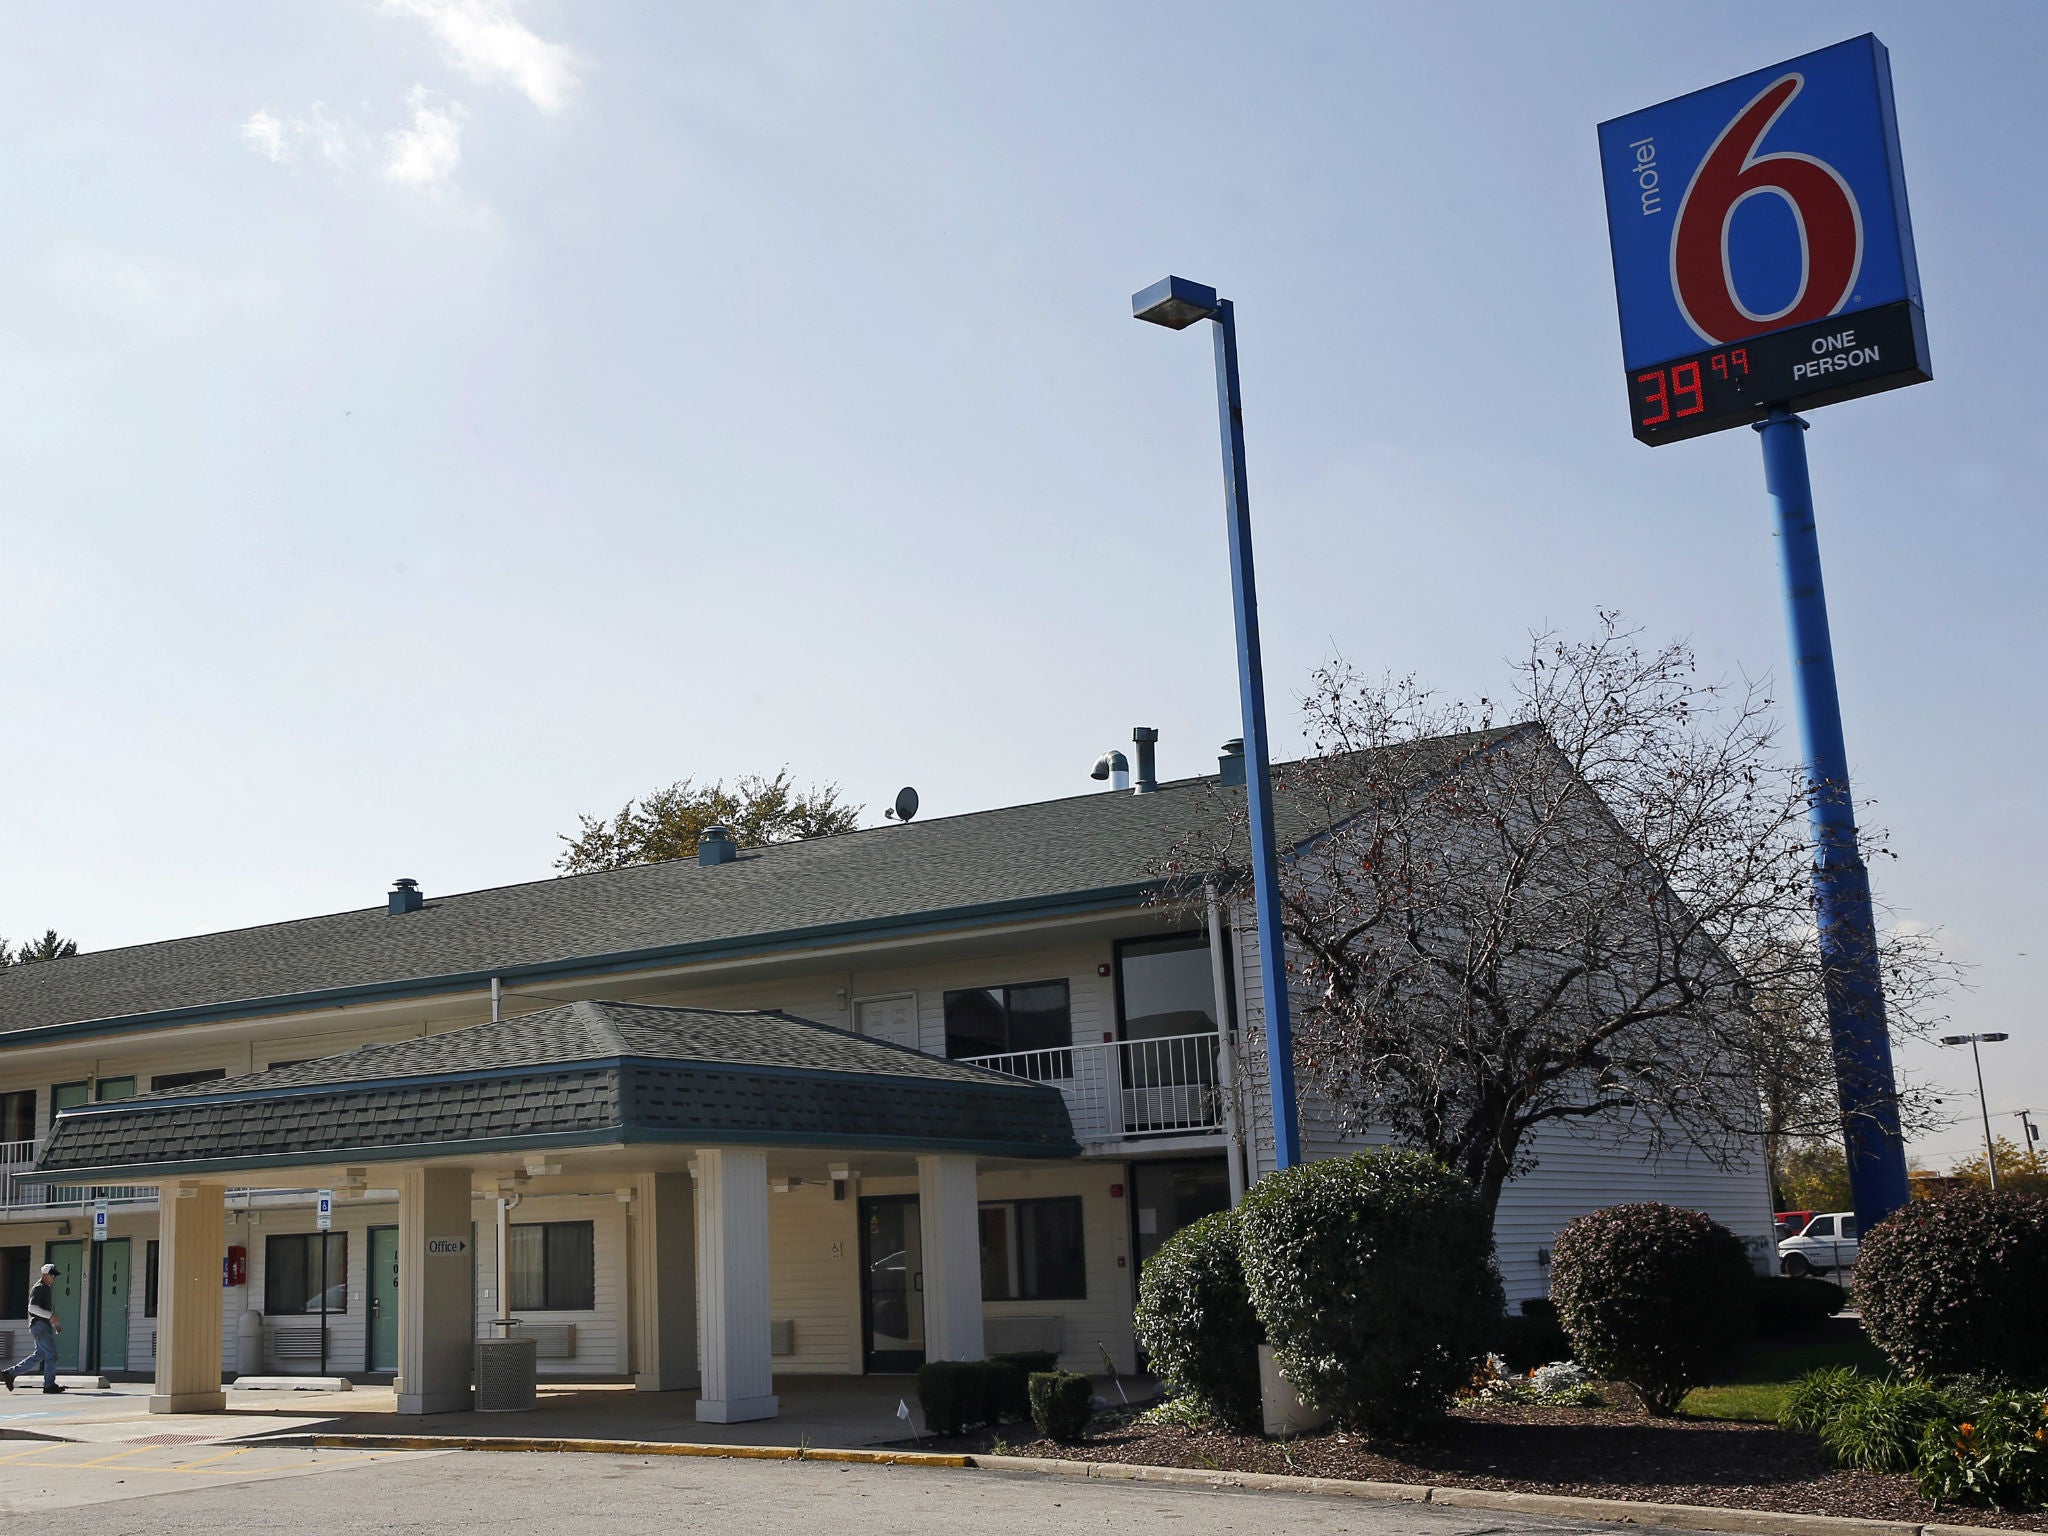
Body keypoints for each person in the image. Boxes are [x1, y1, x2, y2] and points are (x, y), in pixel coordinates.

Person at [3, 1262, 67, 1393]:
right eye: (52, 1275)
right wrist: (51, 1317)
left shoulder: (45, 1288)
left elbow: (46, 1311)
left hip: (41, 1325)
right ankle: (49, 1385)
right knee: (51, 1354)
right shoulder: (39, 1288)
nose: (54, 1278)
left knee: (40, 1354)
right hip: (39, 1325)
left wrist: (56, 1324)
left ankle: (10, 1374)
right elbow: (32, 1308)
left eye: (55, 1275)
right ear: (45, 1275)